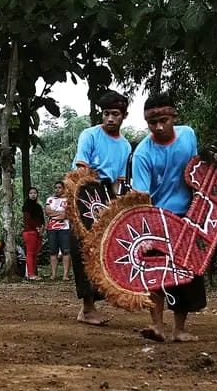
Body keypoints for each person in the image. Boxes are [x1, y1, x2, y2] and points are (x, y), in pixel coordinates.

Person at [131, 93, 204, 342]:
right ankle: (157, 326)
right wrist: (145, 233)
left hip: (187, 217)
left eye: (164, 120)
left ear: (174, 117)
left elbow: (196, 172)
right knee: (156, 273)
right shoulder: (142, 153)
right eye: (153, 123)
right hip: (156, 219)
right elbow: (141, 198)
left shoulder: (188, 136)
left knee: (185, 273)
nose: (159, 127)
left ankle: (180, 328)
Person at [71, 90, 132, 325]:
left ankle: (92, 305)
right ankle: (87, 308)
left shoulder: (126, 146)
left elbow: (118, 182)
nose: (109, 119)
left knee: (104, 251)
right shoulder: (90, 135)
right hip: (84, 193)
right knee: (84, 249)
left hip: (108, 196)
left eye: (115, 114)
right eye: (106, 113)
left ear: (123, 116)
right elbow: (81, 170)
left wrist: (115, 207)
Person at [45, 181, 72, 281]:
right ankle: (53, 274)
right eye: (56, 187)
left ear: (63, 189)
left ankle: (65, 275)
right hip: (52, 228)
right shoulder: (50, 199)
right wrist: (59, 214)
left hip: (64, 228)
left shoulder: (68, 200)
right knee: (53, 252)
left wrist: (55, 215)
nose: (57, 189)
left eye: (59, 187)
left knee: (66, 251)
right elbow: (47, 212)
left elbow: (66, 214)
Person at [22, 186, 45, 280]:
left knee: (35, 253)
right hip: (30, 231)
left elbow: (42, 219)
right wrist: (36, 228)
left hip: (38, 232)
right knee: (30, 253)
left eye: (35, 193)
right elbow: (28, 219)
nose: (33, 195)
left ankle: (33, 273)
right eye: (31, 193)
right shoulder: (26, 206)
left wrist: (42, 227)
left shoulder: (38, 207)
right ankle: (31, 274)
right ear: (28, 194)